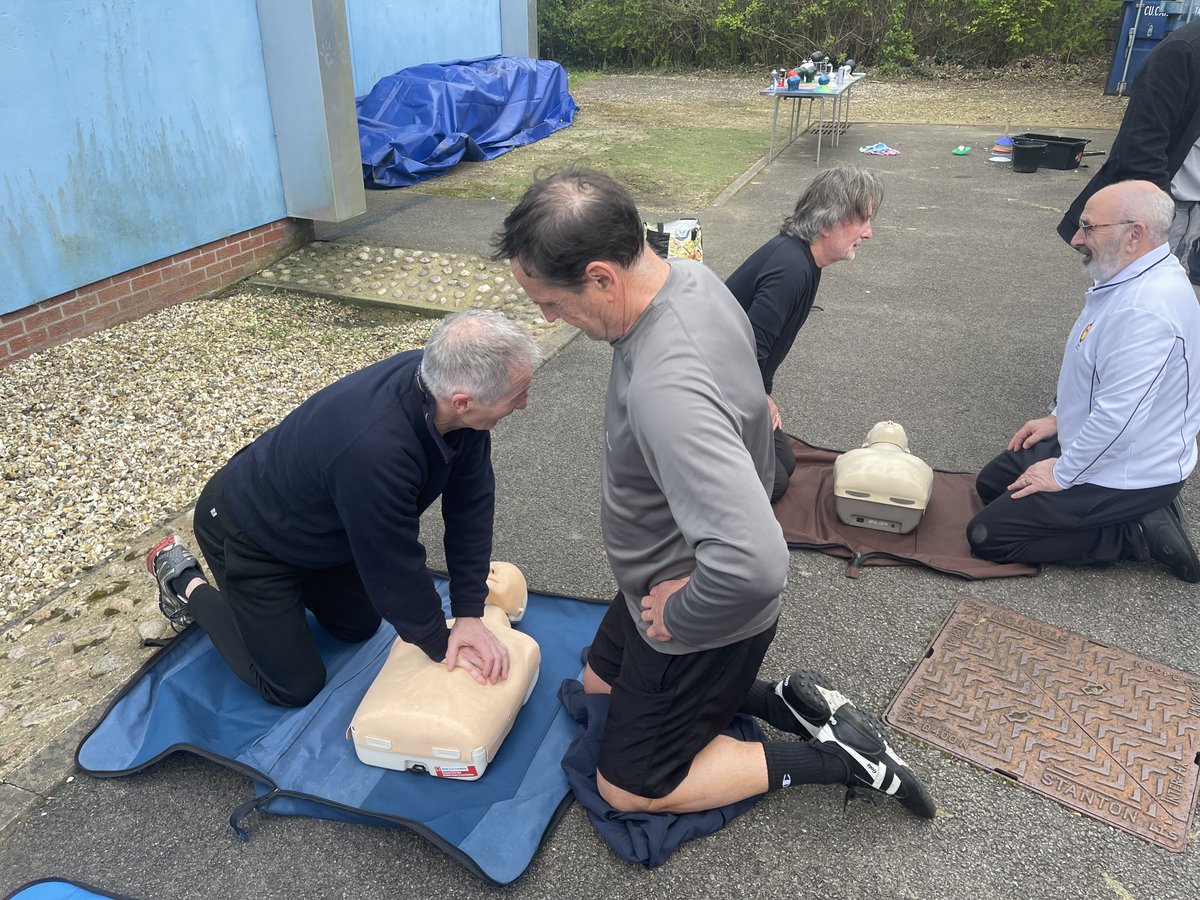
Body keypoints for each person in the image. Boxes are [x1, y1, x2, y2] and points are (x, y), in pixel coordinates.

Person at [493, 166, 935, 822]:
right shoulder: (686, 277)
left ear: (602, 278)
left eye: (553, 304)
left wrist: (687, 615)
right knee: (595, 686)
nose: (553, 319)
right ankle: (785, 704)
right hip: (661, 572)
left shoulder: (666, 389)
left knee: (627, 787)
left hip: (702, 606)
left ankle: (846, 762)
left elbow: (755, 566)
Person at [146, 310, 541, 706]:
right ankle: (183, 580)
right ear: (463, 401)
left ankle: (279, 607)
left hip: (321, 527)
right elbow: (392, 561)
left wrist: (469, 613)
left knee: (360, 626)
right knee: (294, 687)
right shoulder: (376, 451)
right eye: (516, 395)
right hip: (250, 535)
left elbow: (470, 508)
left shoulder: (451, 399)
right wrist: (443, 642)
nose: (524, 403)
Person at [971, 180, 1200, 582]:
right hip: (1106, 442)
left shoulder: (1146, 312)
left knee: (990, 536)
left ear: (1134, 235)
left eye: (1089, 227)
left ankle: (1131, 532)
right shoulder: (1131, 275)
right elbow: (1100, 373)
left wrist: (1061, 474)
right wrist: (1060, 417)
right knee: (992, 485)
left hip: (1131, 467)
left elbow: (1120, 423)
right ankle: (1124, 513)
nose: (1077, 238)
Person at [726, 164, 883, 500]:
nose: (869, 232)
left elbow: (758, 347)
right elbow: (744, 351)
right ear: (828, 224)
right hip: (710, 387)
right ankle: (683, 473)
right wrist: (757, 400)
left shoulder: (805, 260)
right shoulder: (791, 270)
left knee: (785, 462)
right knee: (774, 483)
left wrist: (762, 392)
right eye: (863, 221)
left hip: (733, 380)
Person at [1057, 18, 1200, 280]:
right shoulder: (1181, 53)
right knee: (1134, 297)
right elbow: (1138, 147)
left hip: (1192, 206)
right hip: (1163, 206)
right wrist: (1159, 215)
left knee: (1167, 296)